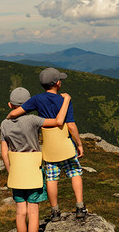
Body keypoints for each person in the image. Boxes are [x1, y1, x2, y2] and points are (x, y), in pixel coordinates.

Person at [7, 68, 86, 221]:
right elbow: (70, 125)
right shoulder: (64, 100)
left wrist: (8, 119)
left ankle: (55, 211)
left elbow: (15, 113)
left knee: (51, 178)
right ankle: (80, 207)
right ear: (57, 83)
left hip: (49, 148)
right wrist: (79, 143)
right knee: (75, 173)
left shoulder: (36, 99)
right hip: (65, 145)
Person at [1, 87, 71, 232]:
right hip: (33, 171)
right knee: (33, 212)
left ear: (10, 105)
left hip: (17, 173)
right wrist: (66, 101)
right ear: (29, 103)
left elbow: (4, 153)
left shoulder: (4, 124)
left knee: (20, 212)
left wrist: (11, 172)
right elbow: (58, 121)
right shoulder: (33, 120)